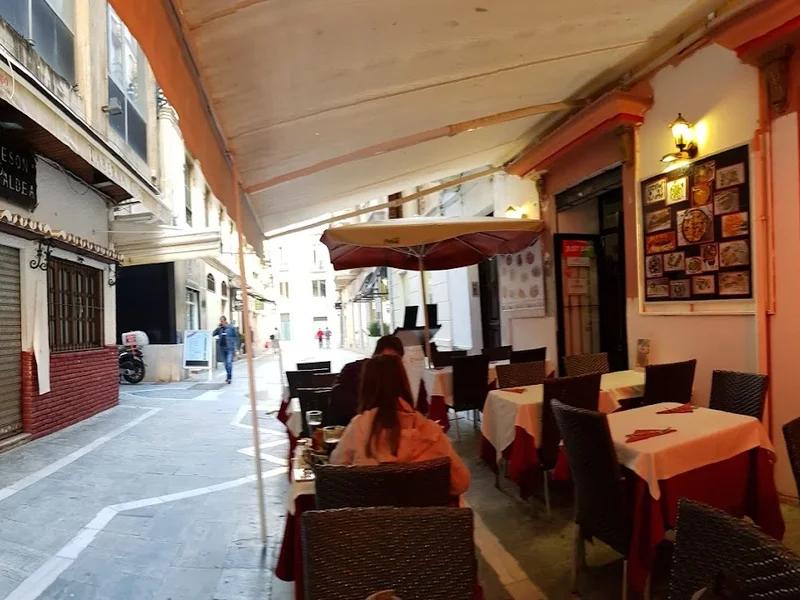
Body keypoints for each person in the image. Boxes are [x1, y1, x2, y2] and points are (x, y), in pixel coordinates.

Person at [330, 354, 470, 497]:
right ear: (404, 383)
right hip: (425, 511)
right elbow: (461, 483)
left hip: (371, 510)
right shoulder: (431, 432)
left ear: (365, 388)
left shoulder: (358, 428)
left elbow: (335, 475)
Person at [329, 334, 404, 426]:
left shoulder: (398, 377)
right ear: (374, 356)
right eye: (385, 360)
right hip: (353, 426)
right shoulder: (353, 370)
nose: (389, 366)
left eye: (394, 363)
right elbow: (338, 397)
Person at [213, 316, 238, 384]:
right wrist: (217, 328)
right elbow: (213, 334)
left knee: (229, 362)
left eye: (222, 321)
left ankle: (229, 377)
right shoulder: (220, 329)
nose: (221, 322)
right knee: (226, 364)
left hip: (230, 348)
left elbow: (236, 337)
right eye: (220, 321)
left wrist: (236, 348)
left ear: (225, 321)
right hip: (222, 348)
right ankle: (228, 376)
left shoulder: (231, 328)